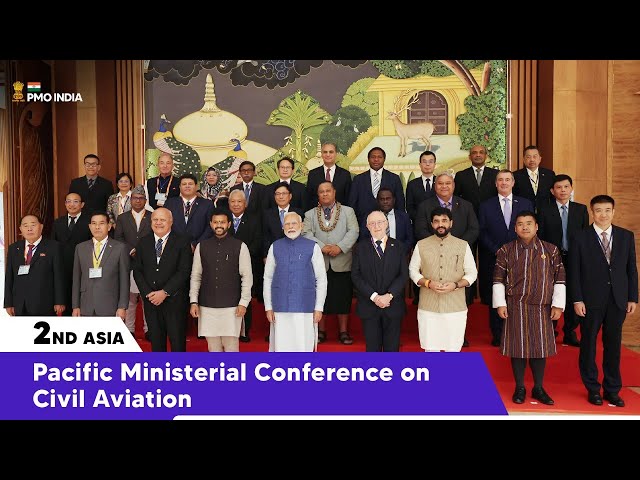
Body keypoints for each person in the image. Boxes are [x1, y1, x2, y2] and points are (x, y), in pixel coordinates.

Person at [570, 195, 638, 407]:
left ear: (613, 212)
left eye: (607, 210)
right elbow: (574, 271)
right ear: (592, 212)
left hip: (617, 300)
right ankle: (592, 389)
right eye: (598, 210)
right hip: (590, 300)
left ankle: (612, 389)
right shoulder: (580, 237)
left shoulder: (626, 236)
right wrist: (577, 299)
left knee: (613, 346)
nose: (603, 214)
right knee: (588, 345)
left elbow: (631, 270)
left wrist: (632, 297)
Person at [493, 211, 566, 405]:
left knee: (539, 349)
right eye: (520, 224)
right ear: (515, 228)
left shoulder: (551, 250)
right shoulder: (506, 250)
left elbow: (560, 279)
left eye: (529, 223)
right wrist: (500, 303)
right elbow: (498, 279)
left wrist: (558, 304)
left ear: (536, 227)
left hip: (542, 307)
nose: (525, 227)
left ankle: (538, 388)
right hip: (515, 306)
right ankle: (520, 387)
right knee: (517, 349)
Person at [414, 171, 479, 346]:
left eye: (448, 183)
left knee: (453, 339)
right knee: (431, 346)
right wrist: (437, 241)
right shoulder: (424, 206)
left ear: (453, 185)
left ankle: (458, 336)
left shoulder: (465, 205)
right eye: (440, 183)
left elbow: (474, 229)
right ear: (435, 186)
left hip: (457, 266)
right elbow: (420, 229)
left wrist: (455, 244)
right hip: (430, 266)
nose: (444, 186)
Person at [478, 170, 534, 346]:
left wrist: (518, 249)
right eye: (500, 180)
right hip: (494, 257)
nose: (504, 183)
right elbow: (482, 232)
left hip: (521, 257)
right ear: (496, 184)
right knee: (498, 295)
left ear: (513, 182)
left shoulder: (525, 203)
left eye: (507, 180)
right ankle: (498, 334)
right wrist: (499, 250)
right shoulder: (485, 205)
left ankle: (518, 332)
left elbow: (529, 229)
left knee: (519, 295)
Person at [303, 181, 359, 345]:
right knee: (321, 297)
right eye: (321, 192)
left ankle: (343, 332)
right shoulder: (310, 214)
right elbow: (305, 232)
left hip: (342, 261)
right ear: (318, 195)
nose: (325, 194)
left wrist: (340, 247)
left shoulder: (348, 211)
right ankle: (321, 331)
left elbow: (354, 231)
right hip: (319, 263)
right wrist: (322, 247)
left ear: (334, 192)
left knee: (343, 297)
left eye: (328, 191)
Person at [189, 208, 253, 352]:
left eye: (222, 222)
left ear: (229, 224)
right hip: (207, 306)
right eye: (216, 222)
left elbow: (247, 277)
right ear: (211, 224)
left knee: (231, 347)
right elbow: (196, 276)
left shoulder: (240, 246)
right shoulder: (202, 246)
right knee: (213, 348)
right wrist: (193, 301)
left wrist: (243, 303)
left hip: (232, 307)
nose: (219, 225)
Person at [263, 212, 327, 352]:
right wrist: (268, 306)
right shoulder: (275, 246)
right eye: (287, 224)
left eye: (294, 223)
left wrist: (319, 307)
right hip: (280, 305)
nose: (290, 227)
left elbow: (321, 278)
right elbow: (267, 278)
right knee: (282, 346)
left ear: (301, 225)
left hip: (305, 306)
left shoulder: (313, 247)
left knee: (303, 346)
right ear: (283, 226)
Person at [537, 174, 589, 345]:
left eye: (566, 187)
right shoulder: (544, 210)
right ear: (553, 191)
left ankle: (570, 332)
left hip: (575, 258)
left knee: (573, 293)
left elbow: (585, 237)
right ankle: (550, 330)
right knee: (551, 294)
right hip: (552, 259)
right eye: (559, 187)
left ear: (571, 188)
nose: (563, 190)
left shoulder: (581, 210)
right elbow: (541, 237)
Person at [132, 207, 193, 352]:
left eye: (162, 220)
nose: (158, 223)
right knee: (156, 344)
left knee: (177, 343)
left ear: (171, 222)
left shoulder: (182, 242)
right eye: (155, 219)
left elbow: (184, 271)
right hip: (151, 301)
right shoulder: (143, 242)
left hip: (175, 301)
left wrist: (165, 292)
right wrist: (148, 293)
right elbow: (137, 271)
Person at [351, 211, 408, 351]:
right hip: (369, 306)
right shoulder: (360, 248)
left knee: (392, 349)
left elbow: (403, 275)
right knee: (372, 350)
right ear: (367, 226)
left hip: (393, 305)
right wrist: (375, 297)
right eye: (372, 223)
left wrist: (389, 295)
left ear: (386, 223)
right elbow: (356, 276)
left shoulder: (399, 246)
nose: (376, 226)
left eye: (380, 222)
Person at [71, 212, 130, 319]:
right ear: (89, 227)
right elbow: (76, 278)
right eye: (94, 223)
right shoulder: (80, 248)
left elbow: (124, 280)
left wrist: (122, 306)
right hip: (86, 306)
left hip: (110, 306)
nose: (97, 227)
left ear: (109, 226)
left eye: (101, 223)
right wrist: (75, 306)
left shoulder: (120, 248)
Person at [4, 214, 65, 316]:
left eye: (33, 225)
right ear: (20, 229)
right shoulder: (14, 248)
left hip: (44, 304)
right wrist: (8, 303)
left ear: (41, 227)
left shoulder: (53, 247)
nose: (29, 229)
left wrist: (59, 301)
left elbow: (59, 276)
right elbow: (9, 277)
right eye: (25, 225)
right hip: (19, 304)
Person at [113, 185, 152, 340]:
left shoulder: (152, 215)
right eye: (135, 198)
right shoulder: (122, 218)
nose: (137, 201)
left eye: (141, 198)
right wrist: (131, 250)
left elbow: (156, 235)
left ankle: (149, 329)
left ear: (145, 200)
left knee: (147, 297)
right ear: (131, 200)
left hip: (148, 262)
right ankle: (129, 329)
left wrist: (141, 251)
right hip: (128, 261)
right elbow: (118, 238)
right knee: (129, 298)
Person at [227, 189, 263, 342]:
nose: (236, 204)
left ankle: (244, 331)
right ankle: (228, 329)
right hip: (225, 266)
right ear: (229, 204)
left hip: (247, 265)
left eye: (239, 201)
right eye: (233, 201)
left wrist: (240, 259)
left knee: (245, 297)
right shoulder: (223, 219)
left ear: (245, 203)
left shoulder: (254, 219)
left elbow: (257, 243)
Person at [51, 192, 92, 315]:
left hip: (83, 267)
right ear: (65, 204)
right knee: (67, 302)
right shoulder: (58, 222)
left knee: (83, 301)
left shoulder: (89, 222)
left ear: (82, 204)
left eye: (75, 201)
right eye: (68, 201)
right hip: (63, 268)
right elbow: (53, 246)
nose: (71, 204)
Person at [348, 147, 405, 224]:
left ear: (384, 159)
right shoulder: (358, 179)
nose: (376, 160)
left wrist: (399, 223)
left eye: (379, 157)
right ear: (368, 159)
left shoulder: (394, 178)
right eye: (373, 157)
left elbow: (400, 203)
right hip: (363, 223)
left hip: (388, 224)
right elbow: (352, 204)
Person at [163, 174, 214, 251]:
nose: (187, 186)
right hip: (173, 248)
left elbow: (210, 227)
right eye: (184, 184)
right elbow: (164, 224)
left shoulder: (207, 204)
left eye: (190, 184)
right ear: (179, 187)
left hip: (199, 249)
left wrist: (197, 245)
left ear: (196, 186)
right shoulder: (170, 203)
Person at [262, 182, 305, 260]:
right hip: (274, 254)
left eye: (284, 193)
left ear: (290, 196)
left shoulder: (299, 213)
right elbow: (265, 236)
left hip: (295, 253)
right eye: (277, 194)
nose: (281, 196)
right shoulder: (267, 214)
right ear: (274, 196)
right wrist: (266, 255)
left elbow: (302, 234)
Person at [453, 145, 499, 217]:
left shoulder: (496, 174)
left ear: (486, 156)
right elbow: (456, 197)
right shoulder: (461, 175)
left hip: (491, 214)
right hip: (467, 215)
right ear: (469, 157)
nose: (478, 155)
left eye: (481, 152)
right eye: (474, 153)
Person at [306, 141, 352, 208]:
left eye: (331, 152)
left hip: (340, 214)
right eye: (325, 152)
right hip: (318, 214)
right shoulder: (313, 174)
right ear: (321, 154)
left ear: (336, 154)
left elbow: (349, 198)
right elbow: (309, 197)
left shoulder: (345, 174)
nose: (328, 155)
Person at [513, 145, 555, 212]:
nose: (532, 160)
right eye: (528, 157)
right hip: (524, 212)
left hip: (545, 213)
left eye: (535, 156)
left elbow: (553, 195)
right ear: (524, 159)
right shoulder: (515, 176)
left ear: (540, 159)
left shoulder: (549, 174)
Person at [405, 150, 438, 225]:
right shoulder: (412, 184)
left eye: (430, 161)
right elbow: (409, 207)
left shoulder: (440, 183)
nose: (427, 164)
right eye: (424, 162)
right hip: (418, 225)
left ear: (434, 164)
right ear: (420, 164)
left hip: (438, 225)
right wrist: (420, 219)